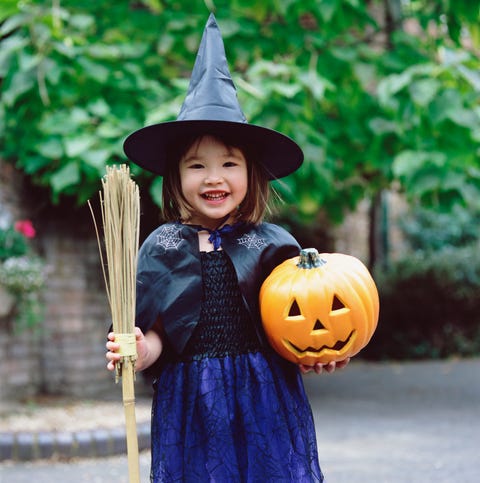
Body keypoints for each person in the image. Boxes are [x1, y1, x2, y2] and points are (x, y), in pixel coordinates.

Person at [106, 14, 349, 482]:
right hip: (192, 403)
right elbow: (160, 335)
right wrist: (139, 346)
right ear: (176, 177)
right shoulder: (164, 247)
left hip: (265, 398)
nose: (213, 177)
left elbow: (298, 325)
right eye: (196, 165)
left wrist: (320, 353)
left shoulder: (272, 246)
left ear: (251, 174)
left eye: (229, 164)